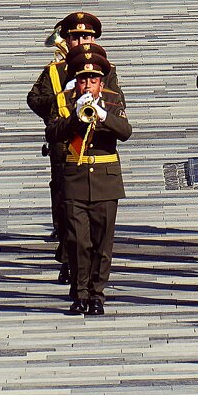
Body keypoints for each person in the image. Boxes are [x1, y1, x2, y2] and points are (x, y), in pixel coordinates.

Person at [27, 12, 123, 287]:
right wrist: (65, 96)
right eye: (75, 37)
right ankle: (70, 258)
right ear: (67, 40)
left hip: (96, 149)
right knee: (65, 206)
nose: (81, 41)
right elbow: (33, 100)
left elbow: (116, 106)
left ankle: (77, 265)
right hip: (64, 146)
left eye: (87, 36)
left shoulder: (107, 70)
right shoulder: (54, 71)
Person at [46, 48, 132, 316]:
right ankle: (80, 293)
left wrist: (102, 115)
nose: (87, 85)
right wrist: (76, 116)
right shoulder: (63, 101)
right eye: (83, 80)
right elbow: (53, 133)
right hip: (74, 178)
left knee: (101, 242)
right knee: (76, 241)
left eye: (93, 81)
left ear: (101, 83)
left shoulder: (114, 100)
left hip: (106, 179)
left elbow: (126, 132)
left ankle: (97, 294)